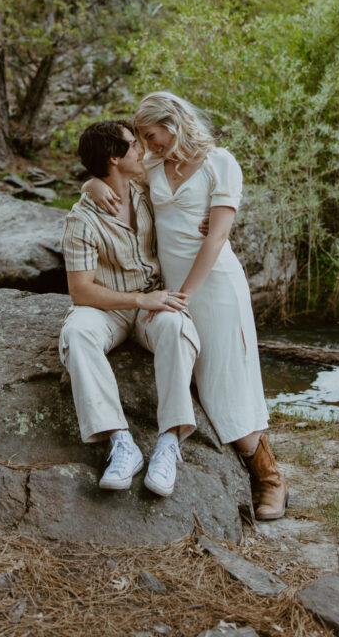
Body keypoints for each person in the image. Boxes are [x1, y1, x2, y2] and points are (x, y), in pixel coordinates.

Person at [85, 92, 288, 521]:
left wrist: (187, 296)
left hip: (213, 287)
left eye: (150, 135)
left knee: (222, 383)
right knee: (192, 374)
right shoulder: (154, 167)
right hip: (170, 288)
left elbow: (216, 237)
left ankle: (270, 477)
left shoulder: (221, 164)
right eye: (140, 138)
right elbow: (118, 179)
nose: (146, 144)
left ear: (173, 123)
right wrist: (93, 183)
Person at [59, 119, 200, 498]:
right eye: (132, 146)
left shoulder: (143, 186)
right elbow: (80, 291)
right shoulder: (81, 220)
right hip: (110, 308)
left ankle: (169, 443)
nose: (141, 149)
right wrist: (140, 300)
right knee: (76, 332)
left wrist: (205, 218)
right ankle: (122, 443)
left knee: (175, 326)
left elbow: (190, 177)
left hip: (152, 302)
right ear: (113, 159)